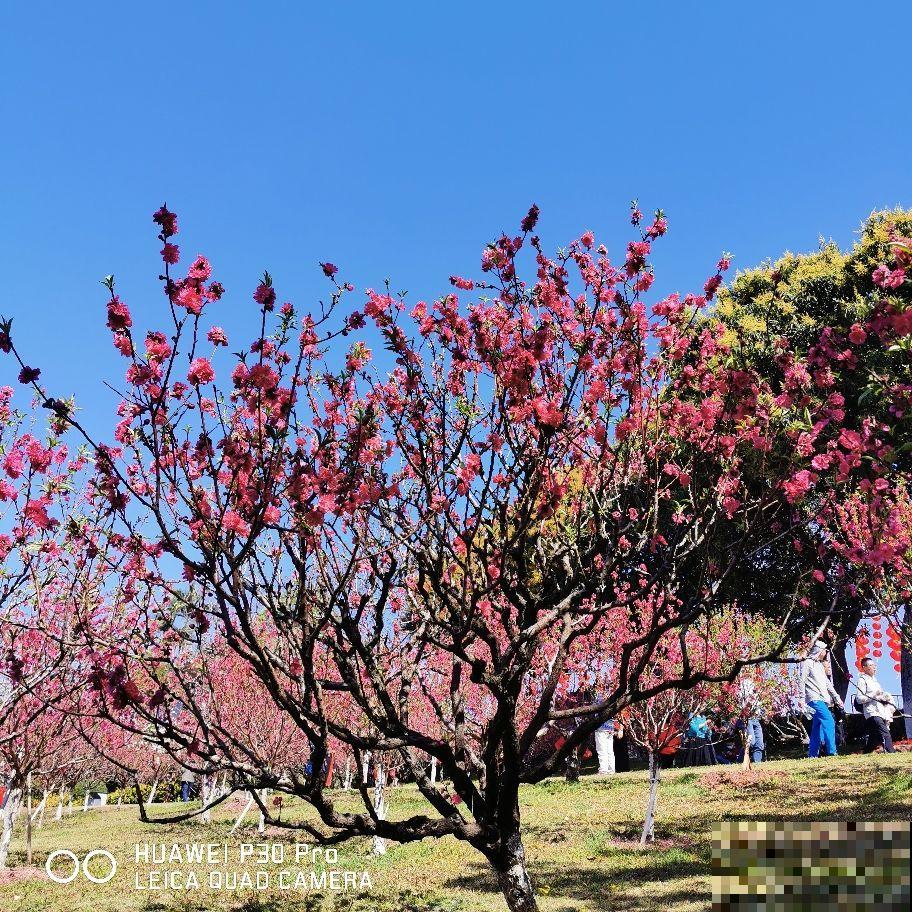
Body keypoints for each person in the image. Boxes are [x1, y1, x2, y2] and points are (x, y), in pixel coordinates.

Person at [800, 641, 841, 758]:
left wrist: (837, 698)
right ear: (818, 650)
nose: (826, 652)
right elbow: (801, 680)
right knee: (829, 721)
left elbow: (827, 683)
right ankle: (832, 751)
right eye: (824, 650)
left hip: (822, 699)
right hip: (814, 698)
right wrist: (801, 699)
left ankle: (812, 755)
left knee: (816, 728)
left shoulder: (819, 664)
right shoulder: (807, 663)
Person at [855, 658, 896, 754]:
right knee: (884, 732)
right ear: (864, 668)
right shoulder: (862, 680)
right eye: (871, 665)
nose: (874, 667)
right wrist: (873, 695)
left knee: (874, 737)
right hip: (871, 711)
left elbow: (878, 696)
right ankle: (891, 752)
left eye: (874, 665)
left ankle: (866, 753)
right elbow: (859, 699)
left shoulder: (875, 681)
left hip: (880, 711)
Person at [738, 677, 765, 764]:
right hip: (747, 718)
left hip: (756, 718)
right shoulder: (742, 689)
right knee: (751, 742)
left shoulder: (756, 691)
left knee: (759, 743)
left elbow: (760, 705)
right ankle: (740, 760)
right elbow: (741, 705)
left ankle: (757, 762)